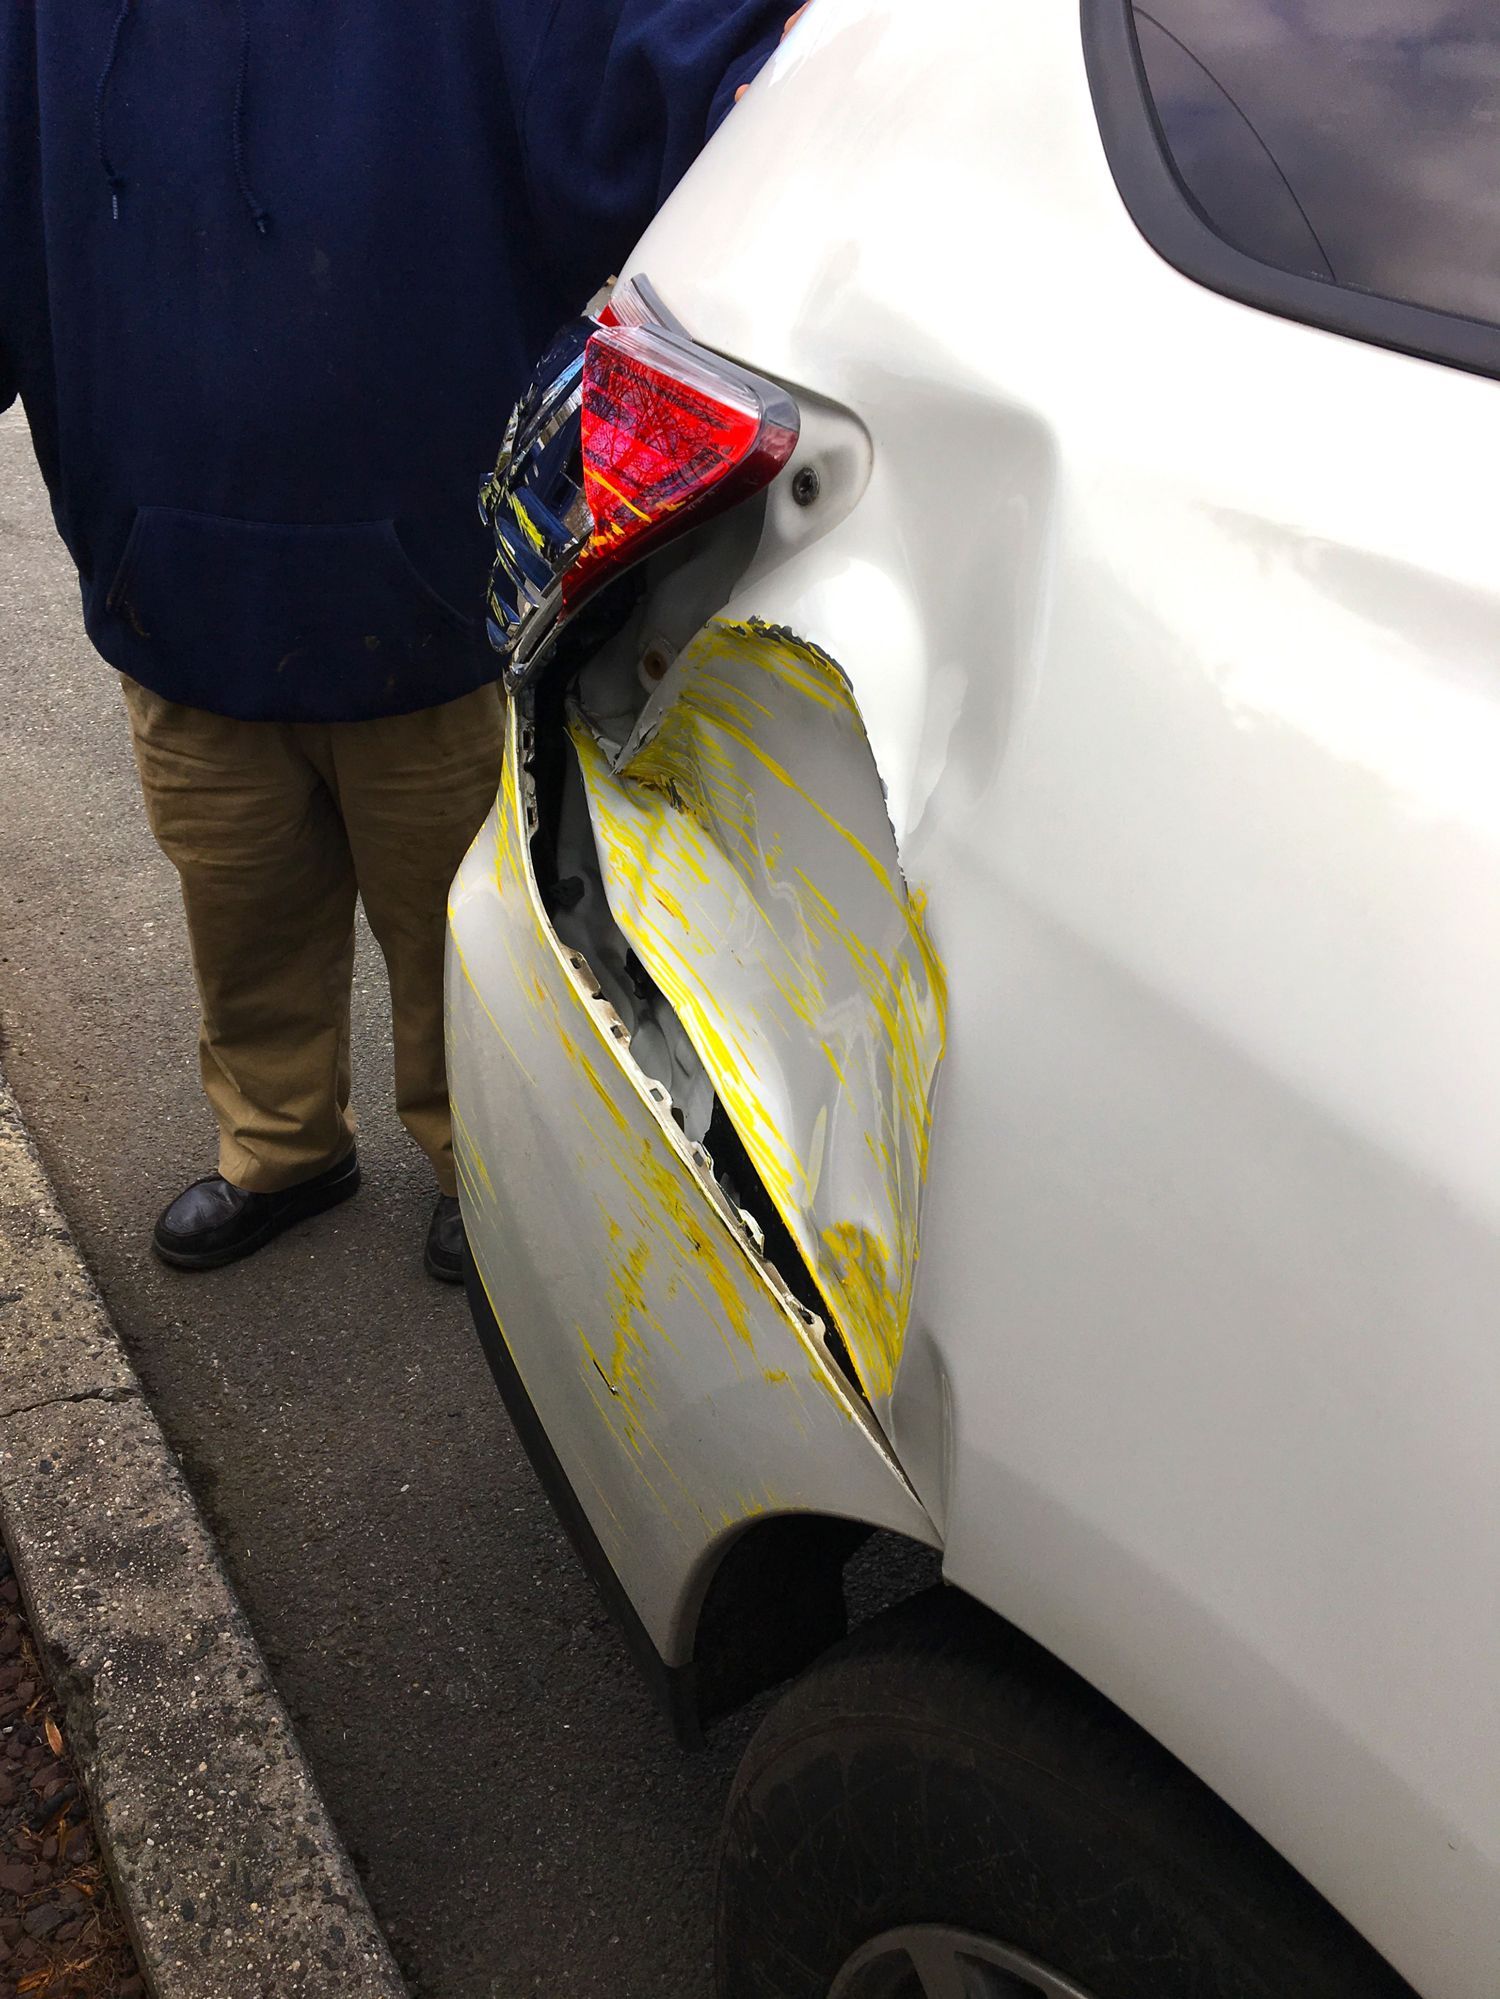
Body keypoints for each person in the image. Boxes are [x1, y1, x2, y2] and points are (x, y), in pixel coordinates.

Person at [0, 0, 800, 1282]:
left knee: (458, 924)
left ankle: (475, 1159)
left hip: (426, 592)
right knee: (240, 895)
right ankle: (280, 1146)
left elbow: (659, 80)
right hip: (174, 584)